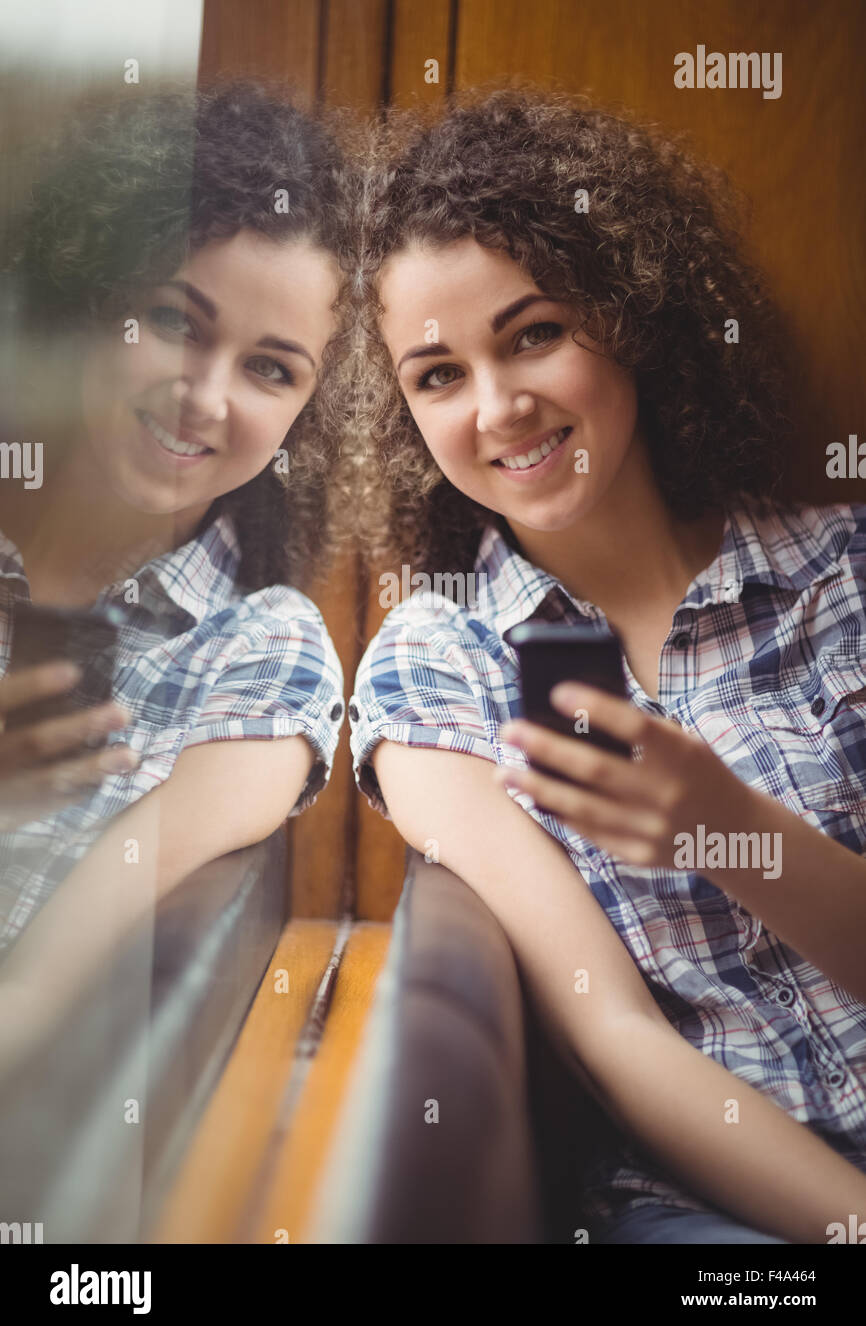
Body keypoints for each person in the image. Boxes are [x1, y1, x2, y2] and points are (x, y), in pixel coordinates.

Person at [345, 88, 866, 1244]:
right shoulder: (434, 672)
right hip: (708, 1213)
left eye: (533, 333)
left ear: (628, 317)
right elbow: (615, 1040)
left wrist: (726, 828)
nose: (498, 406)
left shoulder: (845, 577)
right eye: (436, 375)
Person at [0, 81, 349, 1068]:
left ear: (303, 419)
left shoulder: (260, 656)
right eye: (172, 320)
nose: (203, 397)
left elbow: (26, 1006)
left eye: (271, 369)